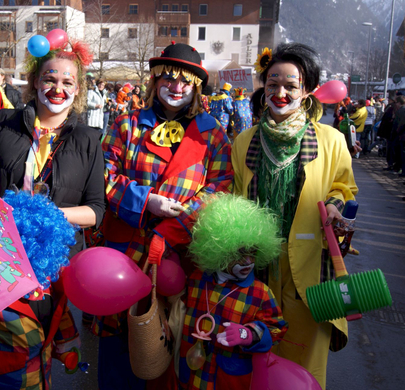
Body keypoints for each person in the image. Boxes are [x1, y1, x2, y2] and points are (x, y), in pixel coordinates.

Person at [0, 39, 105, 390]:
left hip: (51, 265)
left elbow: (96, 211)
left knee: (39, 347)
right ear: (34, 82)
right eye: (49, 78)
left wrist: (48, 215)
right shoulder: (4, 123)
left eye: (67, 82)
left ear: (79, 88)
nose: (57, 88)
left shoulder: (88, 140)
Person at [96, 42, 233, 390]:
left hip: (179, 252)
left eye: (185, 81)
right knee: (121, 337)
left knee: (172, 337)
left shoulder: (213, 133)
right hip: (125, 249)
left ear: (196, 87)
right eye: (168, 78)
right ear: (155, 80)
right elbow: (103, 174)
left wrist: (178, 222)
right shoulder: (127, 123)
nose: (176, 87)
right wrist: (147, 202)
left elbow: (221, 186)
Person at [232, 43, 358, 390]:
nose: (281, 93)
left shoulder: (331, 140)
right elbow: (236, 196)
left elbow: (345, 187)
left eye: (291, 85)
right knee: (254, 356)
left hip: (311, 270)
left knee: (306, 363)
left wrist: (334, 203)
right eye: (273, 84)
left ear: (307, 91)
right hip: (257, 267)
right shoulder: (244, 142)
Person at [180, 193, 287, 390]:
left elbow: (277, 328)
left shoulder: (260, 293)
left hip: (227, 380)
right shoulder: (196, 280)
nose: (248, 261)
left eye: (253, 252)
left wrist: (249, 334)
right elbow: (178, 313)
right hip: (191, 377)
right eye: (239, 253)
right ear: (218, 249)